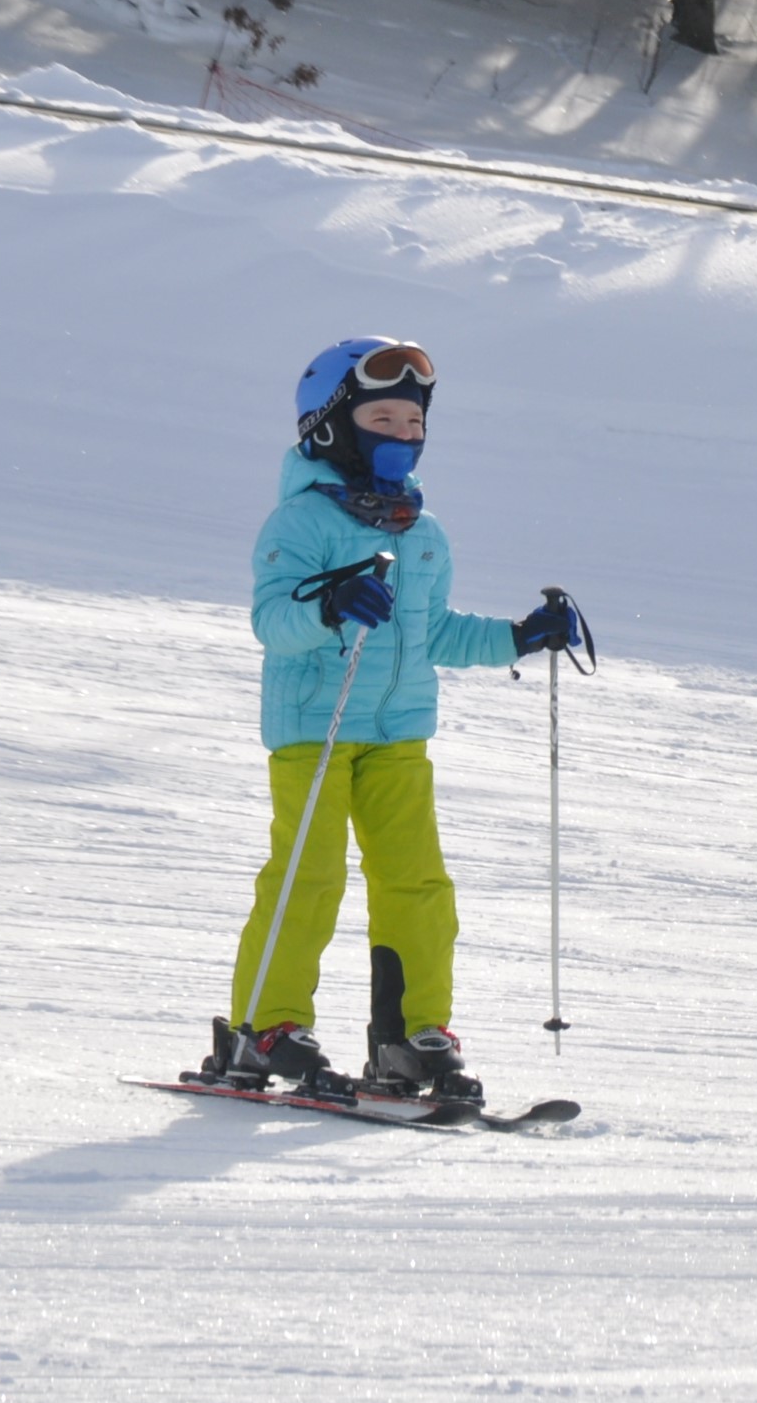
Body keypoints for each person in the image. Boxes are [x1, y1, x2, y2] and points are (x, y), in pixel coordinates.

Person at [208, 338, 581, 1105]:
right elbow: (272, 621)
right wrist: (332, 604)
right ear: (330, 427)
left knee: (418, 884)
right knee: (307, 877)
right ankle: (264, 1028)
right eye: (382, 418)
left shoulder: (423, 533)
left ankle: (411, 1039)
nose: (402, 436)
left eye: (413, 423)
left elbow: (434, 632)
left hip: (398, 734)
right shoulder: (301, 521)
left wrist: (519, 635)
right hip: (316, 726)